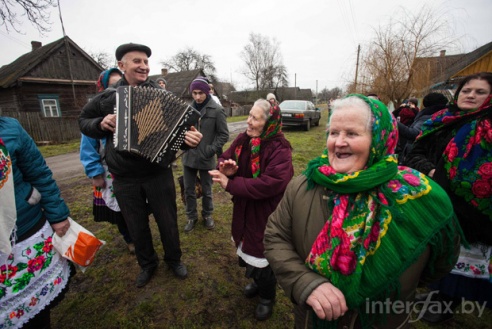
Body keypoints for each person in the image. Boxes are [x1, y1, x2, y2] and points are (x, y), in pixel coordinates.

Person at [264, 94, 461, 328]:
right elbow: (276, 237)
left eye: (352, 133)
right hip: (312, 320)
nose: (338, 142)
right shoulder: (304, 185)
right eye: (334, 133)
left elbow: (439, 262)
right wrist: (305, 283)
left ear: (379, 139)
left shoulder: (421, 196)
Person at [79, 43, 203, 288]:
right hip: (124, 176)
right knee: (136, 224)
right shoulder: (107, 98)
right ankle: (147, 264)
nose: (144, 66)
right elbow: (83, 121)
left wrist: (191, 141)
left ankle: (174, 259)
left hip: (157, 172)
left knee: (167, 220)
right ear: (122, 65)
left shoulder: (162, 96)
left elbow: (179, 135)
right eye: (137, 61)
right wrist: (100, 123)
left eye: (146, 62)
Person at [404, 72, 492, 324]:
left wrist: (446, 179)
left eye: (479, 92)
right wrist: (432, 171)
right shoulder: (443, 119)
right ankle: (437, 295)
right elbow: (417, 151)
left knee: (459, 256)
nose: (471, 95)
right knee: (437, 250)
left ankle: (445, 304)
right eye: (466, 90)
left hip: (469, 208)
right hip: (432, 194)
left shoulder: (487, 127)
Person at [209, 99, 294, 320]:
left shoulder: (280, 149)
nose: (248, 121)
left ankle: (268, 297)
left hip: (266, 213)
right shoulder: (243, 140)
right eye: (249, 115)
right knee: (247, 249)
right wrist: (226, 167)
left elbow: (271, 183)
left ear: (269, 123)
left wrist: (231, 184)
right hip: (245, 208)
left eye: (255, 118)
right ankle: (257, 284)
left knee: (263, 255)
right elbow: (225, 156)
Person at [0, 117, 73, 328]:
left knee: (35, 315)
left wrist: (58, 215)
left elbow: (39, 173)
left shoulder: (9, 128)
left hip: (24, 229)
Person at [80, 68, 134, 254]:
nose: (117, 88)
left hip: (131, 169)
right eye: (113, 85)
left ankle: (139, 233)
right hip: (109, 170)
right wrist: (95, 173)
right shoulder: (96, 115)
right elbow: (87, 148)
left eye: (121, 83)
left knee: (135, 204)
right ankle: (129, 238)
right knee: (119, 209)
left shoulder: (132, 108)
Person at [182, 76, 229, 232]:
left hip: (207, 157)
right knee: (188, 190)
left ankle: (207, 215)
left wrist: (210, 149)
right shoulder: (187, 110)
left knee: (207, 190)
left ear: (207, 92)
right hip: (189, 157)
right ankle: (191, 217)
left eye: (200, 93)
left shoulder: (216, 110)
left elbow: (223, 135)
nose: (197, 97)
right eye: (194, 93)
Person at [397, 92, 448, 164]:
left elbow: (414, 133)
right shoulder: (442, 115)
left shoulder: (428, 117)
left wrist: (395, 123)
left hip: (416, 157)